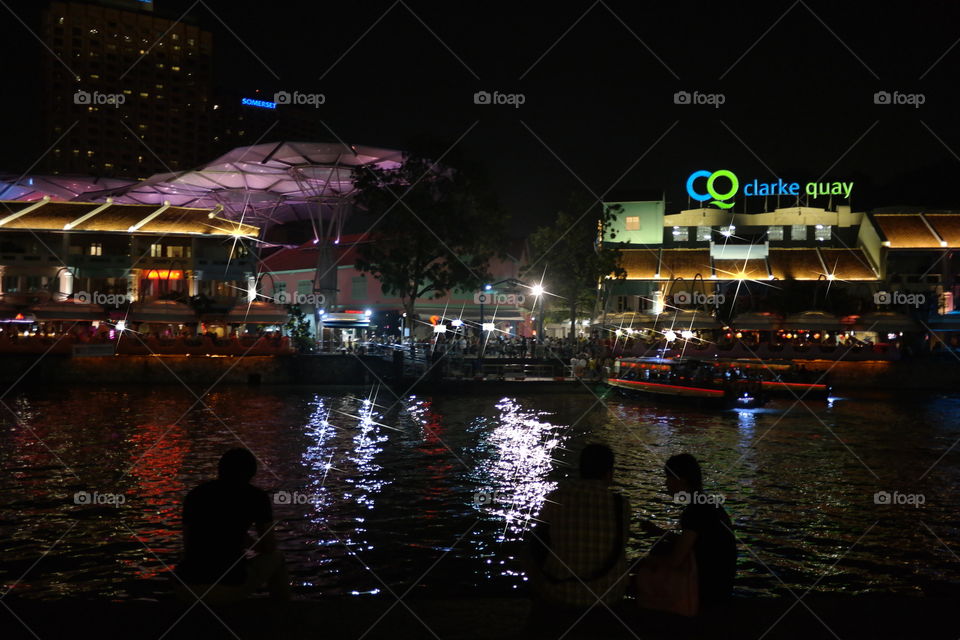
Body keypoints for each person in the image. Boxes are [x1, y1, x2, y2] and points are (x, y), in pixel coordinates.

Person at [174, 448, 291, 603]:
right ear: (251, 473)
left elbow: (189, 546)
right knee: (277, 558)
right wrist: (250, 543)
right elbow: (269, 547)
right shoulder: (256, 497)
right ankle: (283, 614)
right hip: (226, 585)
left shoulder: (195, 495)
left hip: (185, 586)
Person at [526, 444, 630, 613]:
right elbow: (621, 543)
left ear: (580, 470)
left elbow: (537, 543)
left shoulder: (556, 497)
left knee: (527, 552)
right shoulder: (621, 505)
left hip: (560, 592)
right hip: (608, 596)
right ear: (609, 473)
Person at [639, 453, 736, 612]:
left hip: (706, 589)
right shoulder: (709, 504)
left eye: (668, 478)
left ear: (681, 479)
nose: (666, 483)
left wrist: (648, 562)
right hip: (723, 583)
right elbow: (696, 542)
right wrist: (659, 532)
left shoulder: (694, 511)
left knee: (649, 566)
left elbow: (676, 560)